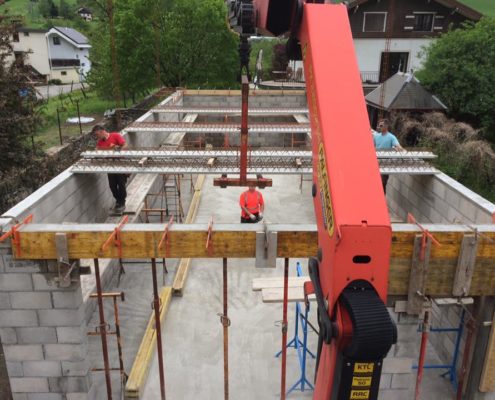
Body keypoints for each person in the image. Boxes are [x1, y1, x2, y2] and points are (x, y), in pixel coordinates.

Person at [92, 125, 128, 213]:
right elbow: (98, 151)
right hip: (110, 165)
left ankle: (121, 202)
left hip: (120, 164)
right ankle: (118, 201)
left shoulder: (115, 135)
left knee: (121, 184)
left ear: (102, 131)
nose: (97, 137)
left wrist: (119, 152)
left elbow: (125, 145)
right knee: (112, 185)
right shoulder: (100, 142)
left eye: (97, 135)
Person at [372, 119, 403, 193]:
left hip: (385, 163)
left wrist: (397, 148)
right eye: (379, 125)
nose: (379, 127)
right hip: (376, 161)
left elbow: (398, 146)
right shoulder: (376, 136)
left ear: (386, 126)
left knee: (382, 184)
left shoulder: (391, 137)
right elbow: (372, 148)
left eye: (381, 125)